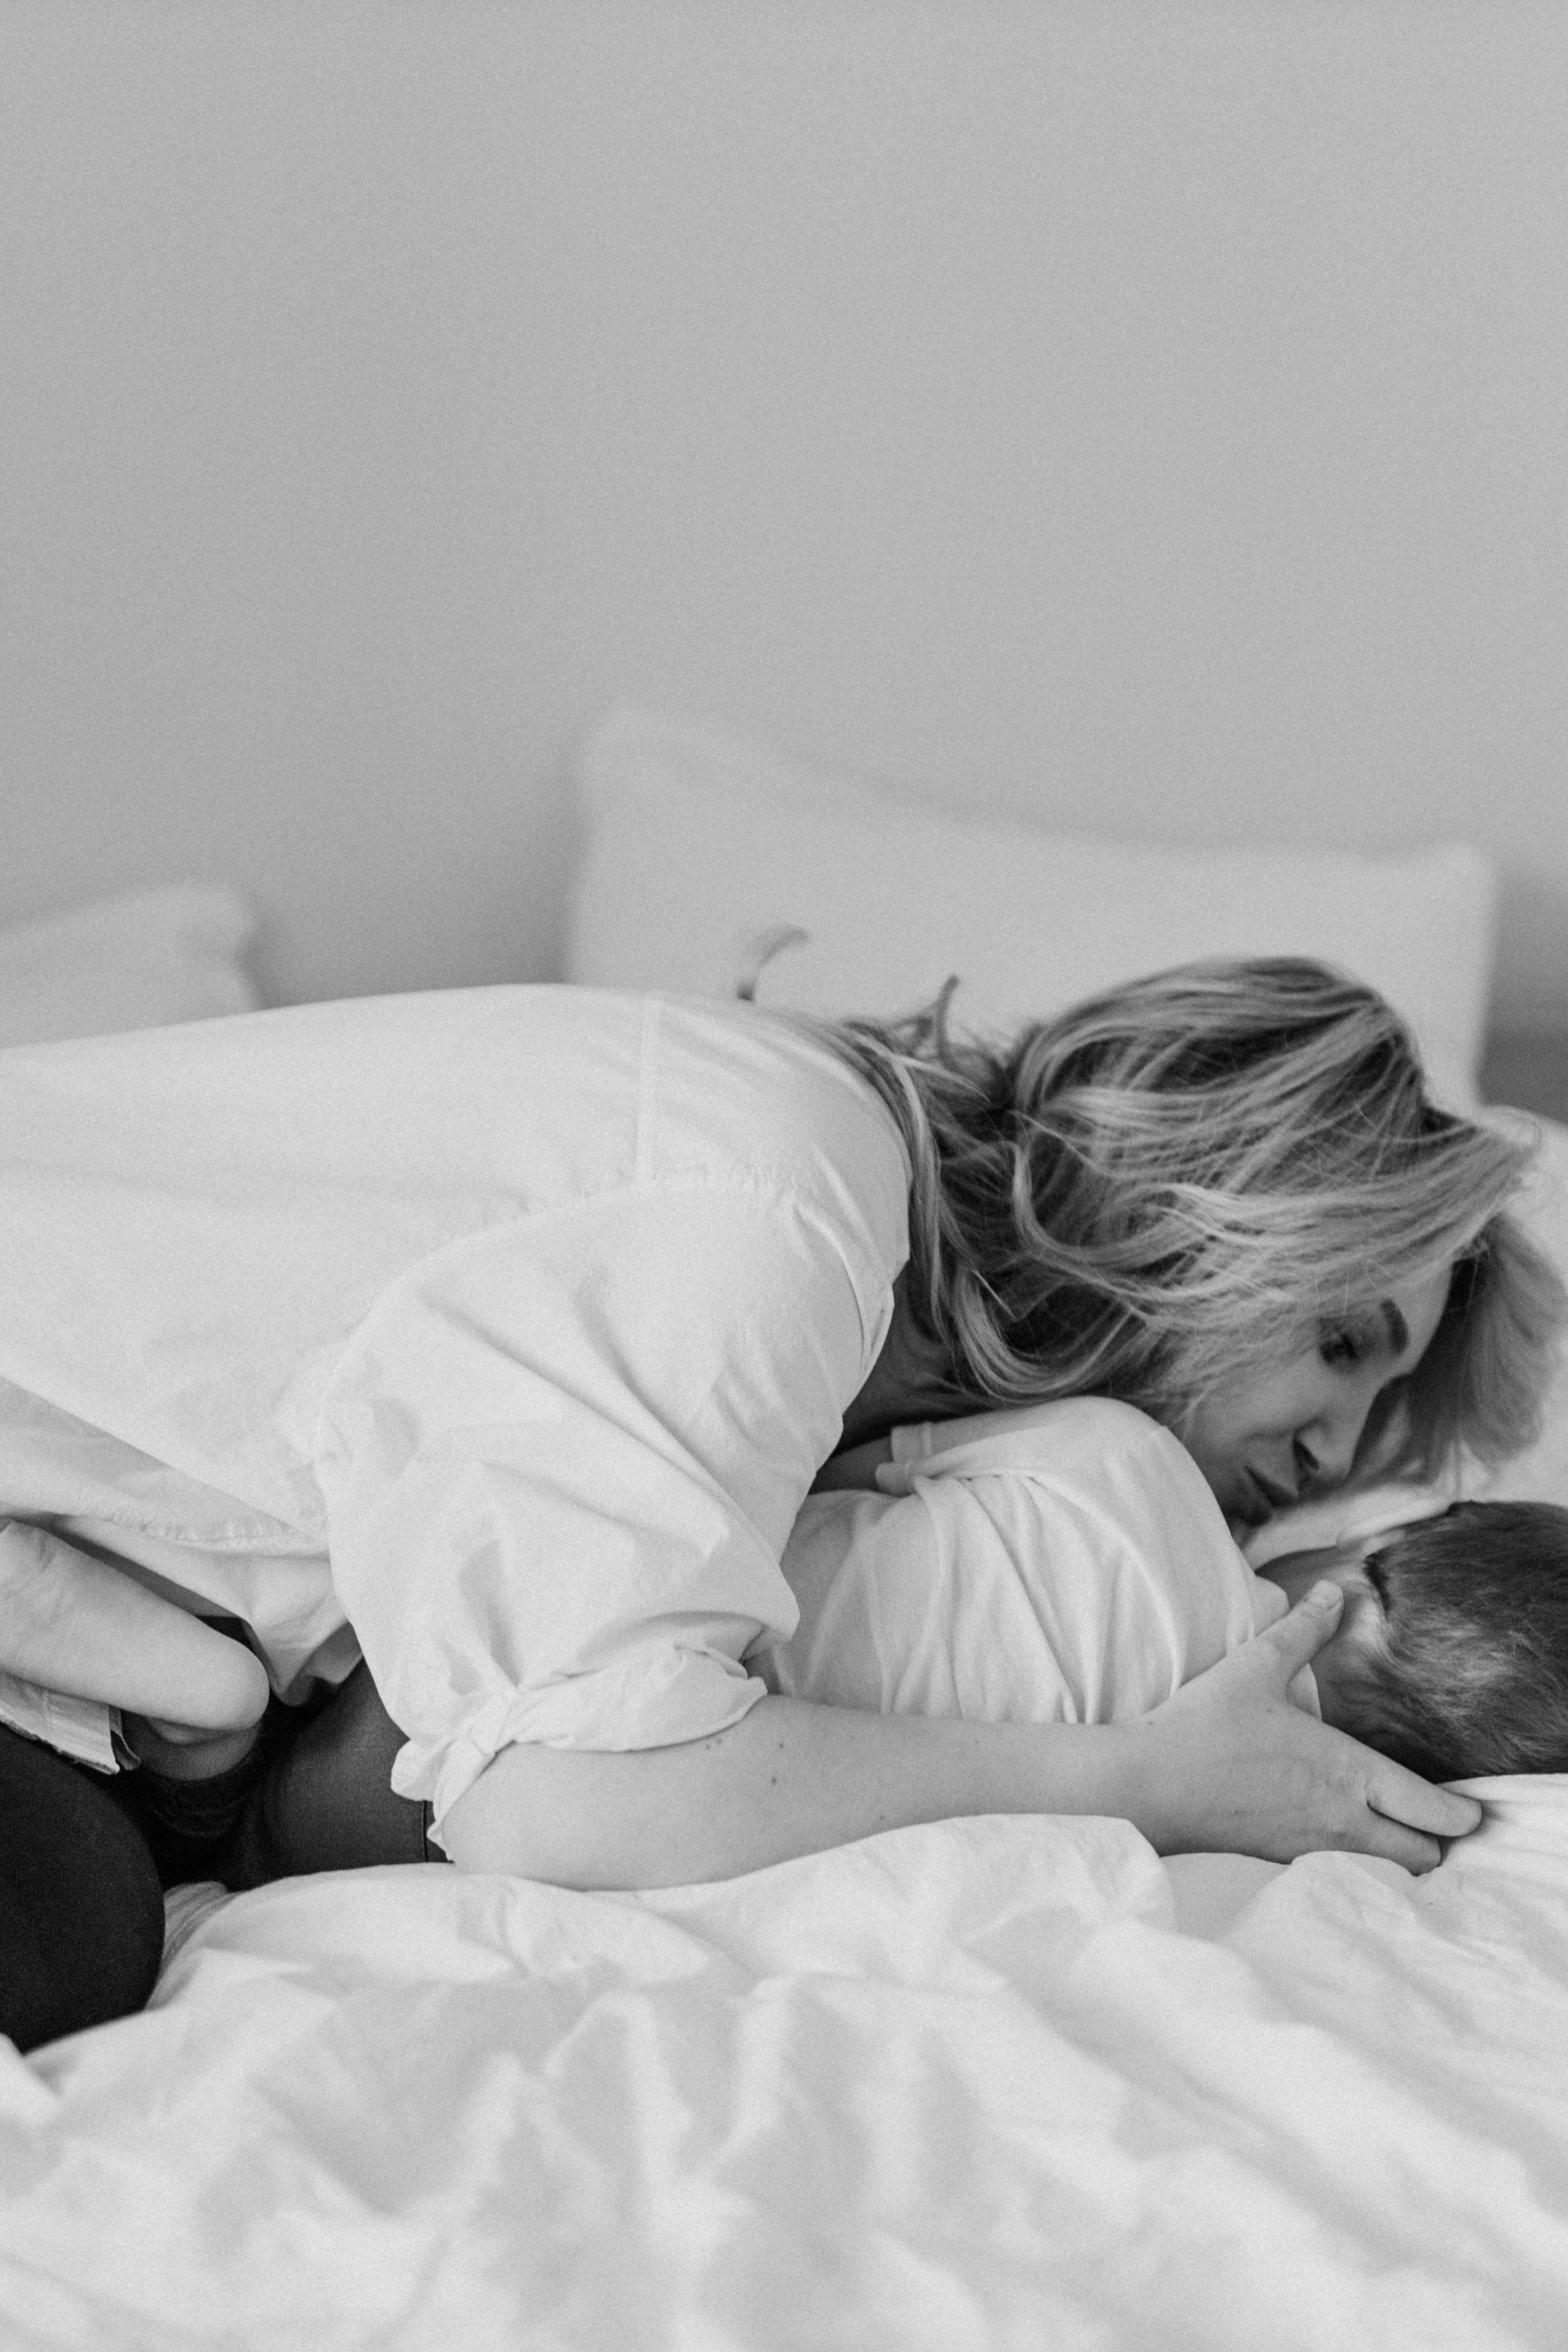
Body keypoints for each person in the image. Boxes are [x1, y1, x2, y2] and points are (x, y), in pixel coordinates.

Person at [0, 959, 1560, 2048]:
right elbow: (552, 1801)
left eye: (1370, 1429)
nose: (1327, 1454)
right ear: (1227, 1211)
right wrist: (1136, 1781)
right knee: (58, 1929)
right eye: (1342, 1344)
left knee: (87, 1892)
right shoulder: (777, 1200)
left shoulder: (848, 1302)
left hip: (99, 1666)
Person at [763, 1396, 1568, 1781]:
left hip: (727, 1594)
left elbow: (850, 1465)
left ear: (1389, 1532)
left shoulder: (1131, 1458)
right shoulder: (1235, 1823)